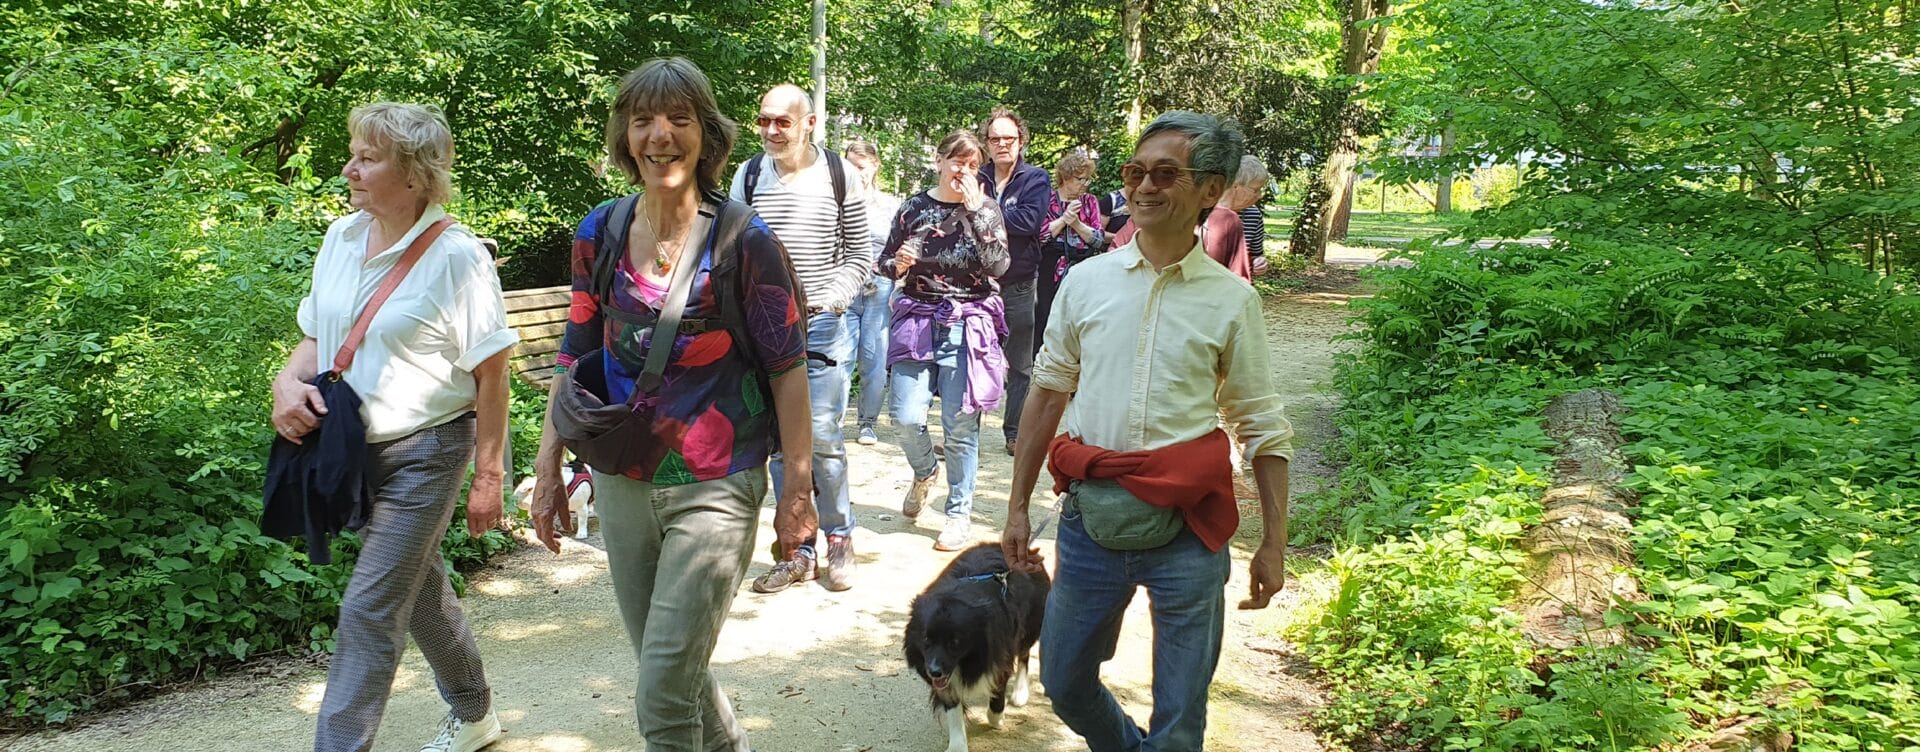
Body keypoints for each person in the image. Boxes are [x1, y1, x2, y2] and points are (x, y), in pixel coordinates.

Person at [528, 57, 816, 752]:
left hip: (717, 484)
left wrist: (797, 492)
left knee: (661, 691)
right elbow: (573, 353)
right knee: (674, 671)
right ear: (624, 137)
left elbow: (788, 369)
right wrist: (547, 466)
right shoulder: (599, 231)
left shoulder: (745, 241)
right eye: (643, 121)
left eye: (679, 119)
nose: (660, 135)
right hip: (622, 479)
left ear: (706, 136)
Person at [1001, 111, 1294, 752]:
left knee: (1181, 717)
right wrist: (1017, 507)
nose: (1144, 187)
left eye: (1166, 174)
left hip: (1189, 529)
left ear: (1210, 189)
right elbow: (1047, 393)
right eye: (1136, 172)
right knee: (1064, 680)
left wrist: (1274, 542)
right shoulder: (1086, 282)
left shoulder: (1231, 300)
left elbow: (1262, 425)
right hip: (1091, 524)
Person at [273, 102, 514, 752]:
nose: (348, 169)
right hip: (352, 451)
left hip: (428, 452)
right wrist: (286, 383)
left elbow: (493, 374)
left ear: (413, 173)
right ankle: (475, 713)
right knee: (419, 589)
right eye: (352, 154)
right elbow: (317, 337)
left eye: (367, 158)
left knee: (369, 607)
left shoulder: (458, 257)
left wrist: (489, 477)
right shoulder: (341, 238)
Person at [732, 84, 872, 594]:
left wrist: (830, 299)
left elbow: (860, 254)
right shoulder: (748, 175)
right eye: (764, 120)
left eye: (782, 122)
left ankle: (839, 536)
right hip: (763, 330)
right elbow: (731, 250)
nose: (771, 131)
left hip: (822, 326)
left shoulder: (839, 174)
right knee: (777, 441)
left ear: (809, 123)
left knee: (824, 436)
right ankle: (797, 549)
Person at [885, 130, 1011, 552]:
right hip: (917, 319)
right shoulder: (914, 207)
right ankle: (925, 471)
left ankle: (958, 515)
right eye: (957, 161)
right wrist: (897, 263)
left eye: (973, 165)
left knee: (960, 428)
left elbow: (999, 266)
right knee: (905, 416)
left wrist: (977, 214)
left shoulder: (987, 209)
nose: (964, 171)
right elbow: (885, 261)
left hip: (967, 323)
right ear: (939, 161)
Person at [977, 107, 1051, 458]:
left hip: (1020, 282)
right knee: (975, 357)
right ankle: (966, 435)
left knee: (1020, 364)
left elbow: (1030, 222)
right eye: (995, 139)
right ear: (986, 143)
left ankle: (1014, 433)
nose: (1002, 144)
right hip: (977, 283)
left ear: (1021, 141)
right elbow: (962, 217)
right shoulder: (976, 175)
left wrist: (984, 211)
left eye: (1009, 138)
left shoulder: (1036, 178)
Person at [842, 141, 902, 447]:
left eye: (862, 167)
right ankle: (832, 422)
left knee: (874, 358)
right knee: (838, 358)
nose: (856, 173)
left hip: (879, 286)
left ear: (876, 166)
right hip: (844, 287)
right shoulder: (836, 201)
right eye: (851, 166)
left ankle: (867, 422)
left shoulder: (890, 205)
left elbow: (902, 249)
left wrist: (897, 283)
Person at [1036, 149, 1104, 353]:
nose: (1085, 184)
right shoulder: (1047, 199)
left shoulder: (1090, 201)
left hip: (1082, 266)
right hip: (1049, 268)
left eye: (1087, 179)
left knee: (1079, 317)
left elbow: (1098, 240)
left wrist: (1076, 224)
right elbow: (1039, 237)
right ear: (1065, 177)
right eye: (1080, 179)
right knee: (1046, 315)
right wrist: (1064, 219)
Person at [1229, 155, 1273, 276]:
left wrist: (1259, 262)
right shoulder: (1204, 211)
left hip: (1239, 284)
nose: (1259, 196)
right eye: (1255, 190)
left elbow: (1256, 254)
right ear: (1236, 187)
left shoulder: (1253, 215)